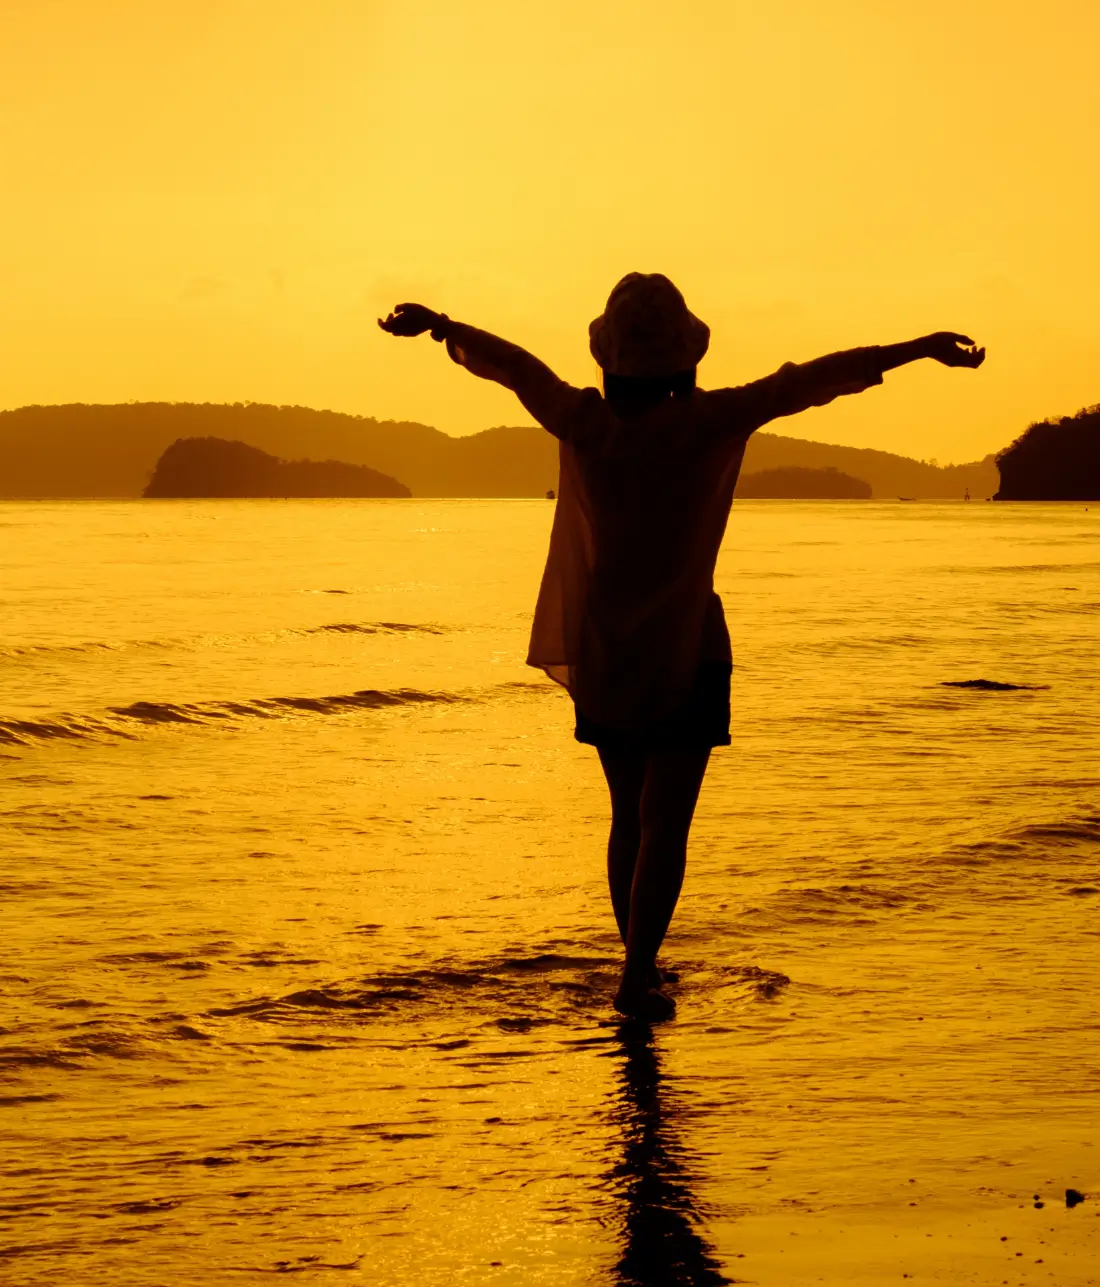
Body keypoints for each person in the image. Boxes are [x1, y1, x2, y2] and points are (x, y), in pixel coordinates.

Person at [379, 275, 984, 1020]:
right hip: (686, 645)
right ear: (687, 359)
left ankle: (630, 969)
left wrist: (442, 323)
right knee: (667, 819)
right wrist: (918, 349)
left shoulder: (583, 422)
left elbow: (515, 367)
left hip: (604, 647)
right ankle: (638, 972)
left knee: (626, 817)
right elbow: (811, 380)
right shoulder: (712, 422)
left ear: (608, 359)